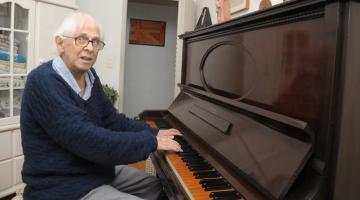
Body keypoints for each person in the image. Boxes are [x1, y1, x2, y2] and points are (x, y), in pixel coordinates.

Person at [20, 12, 183, 200]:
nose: (90, 48)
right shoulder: (42, 81)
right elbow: (87, 140)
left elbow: (111, 120)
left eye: (95, 42)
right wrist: (150, 142)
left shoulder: (90, 76)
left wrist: (153, 132)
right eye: (81, 39)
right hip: (60, 185)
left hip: (93, 171)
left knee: (156, 187)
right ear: (60, 43)